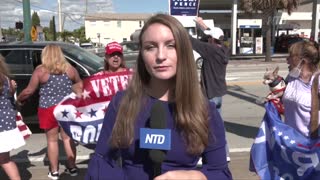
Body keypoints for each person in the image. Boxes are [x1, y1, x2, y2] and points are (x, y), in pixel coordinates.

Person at [85, 13, 232, 180]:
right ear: (142, 54)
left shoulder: (206, 110)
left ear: (183, 52)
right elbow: (102, 162)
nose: (161, 56)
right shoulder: (121, 102)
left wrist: (195, 176)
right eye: (150, 47)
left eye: (171, 45)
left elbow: (220, 173)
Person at [16, 44, 81, 179]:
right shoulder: (70, 70)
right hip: (67, 108)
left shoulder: (41, 71)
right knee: (68, 138)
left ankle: (54, 171)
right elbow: (79, 86)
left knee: (52, 141)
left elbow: (29, 91)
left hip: (48, 109)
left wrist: (19, 100)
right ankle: (72, 168)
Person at [190, 17, 231, 162]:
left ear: (212, 40)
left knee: (204, 125)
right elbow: (211, 35)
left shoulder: (210, 50)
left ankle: (203, 154)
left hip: (210, 94)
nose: (207, 40)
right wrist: (203, 26)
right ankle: (225, 153)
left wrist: (177, 27)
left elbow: (193, 42)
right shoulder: (224, 49)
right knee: (218, 124)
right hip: (219, 94)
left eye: (209, 39)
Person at [282, 41, 320, 137]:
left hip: (311, 145)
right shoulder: (291, 77)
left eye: (291, 56)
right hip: (291, 141)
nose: (287, 60)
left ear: (303, 60)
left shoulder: (317, 80)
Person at [0, 55, 25, 180]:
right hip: (6, 122)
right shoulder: (6, 79)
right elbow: (10, 99)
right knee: (4, 158)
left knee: (4, 159)